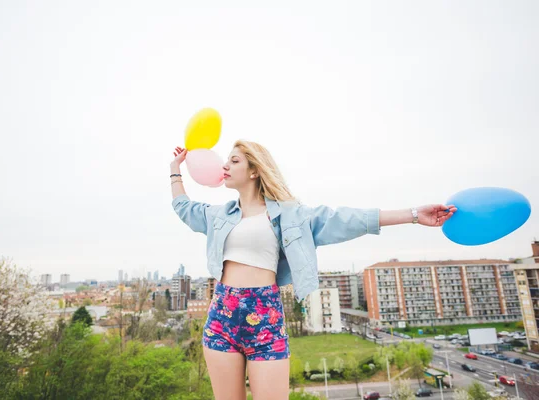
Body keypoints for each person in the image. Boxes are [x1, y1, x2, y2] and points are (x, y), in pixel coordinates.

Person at [170, 140, 456, 400]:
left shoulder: (291, 214)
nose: (224, 165)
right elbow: (184, 208)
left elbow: (347, 220)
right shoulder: (218, 215)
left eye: (234, 161)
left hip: (266, 319)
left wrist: (415, 215)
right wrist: (175, 170)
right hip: (222, 316)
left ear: (255, 170)